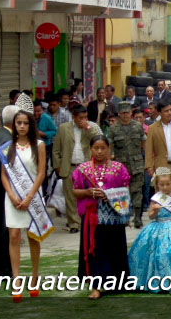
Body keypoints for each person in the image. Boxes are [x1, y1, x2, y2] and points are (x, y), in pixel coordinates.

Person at [71, 134, 132, 299]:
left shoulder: (119, 168)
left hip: (114, 217)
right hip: (92, 218)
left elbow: (125, 191)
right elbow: (75, 191)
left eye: (103, 148)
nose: (99, 152)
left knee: (115, 249)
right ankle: (95, 287)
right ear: (90, 149)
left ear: (108, 149)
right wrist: (87, 192)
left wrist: (110, 195)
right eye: (96, 148)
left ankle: (117, 284)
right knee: (94, 250)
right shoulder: (82, 169)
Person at [0, 109, 49, 300]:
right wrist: (11, 195)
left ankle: (34, 278)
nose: (21, 126)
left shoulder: (39, 145)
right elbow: (4, 175)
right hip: (13, 197)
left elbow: (41, 173)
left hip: (33, 196)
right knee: (13, 236)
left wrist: (29, 197)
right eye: (18, 123)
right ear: (14, 125)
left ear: (31, 125)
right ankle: (17, 280)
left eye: (25, 123)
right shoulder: (7, 147)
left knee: (33, 237)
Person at [53, 105, 102, 233]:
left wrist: (87, 128)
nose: (83, 120)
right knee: (70, 195)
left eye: (85, 117)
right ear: (74, 117)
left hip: (85, 167)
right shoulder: (64, 128)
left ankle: (86, 219)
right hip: (69, 166)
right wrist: (57, 165)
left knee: (87, 194)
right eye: (81, 118)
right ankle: (74, 223)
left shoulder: (91, 128)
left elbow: (97, 141)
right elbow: (56, 149)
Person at [107, 101, 147, 228]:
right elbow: (109, 146)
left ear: (131, 113)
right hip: (120, 166)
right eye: (123, 113)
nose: (125, 115)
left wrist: (147, 160)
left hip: (136, 164)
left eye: (127, 112)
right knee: (121, 192)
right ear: (119, 114)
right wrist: (108, 163)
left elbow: (144, 144)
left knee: (137, 191)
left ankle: (138, 217)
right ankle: (123, 216)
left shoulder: (138, 126)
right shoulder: (113, 129)